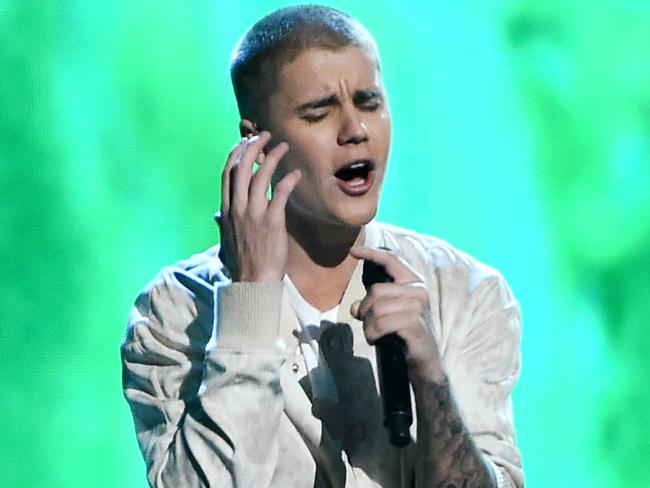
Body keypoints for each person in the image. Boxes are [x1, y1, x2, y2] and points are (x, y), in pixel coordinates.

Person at [121, 5, 523, 487]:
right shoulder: (175, 313)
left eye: (369, 102)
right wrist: (249, 303)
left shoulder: (466, 292)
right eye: (319, 113)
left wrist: (431, 379)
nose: (355, 130)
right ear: (257, 142)